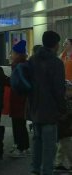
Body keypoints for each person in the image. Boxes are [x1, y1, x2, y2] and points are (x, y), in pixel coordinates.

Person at [28, 31, 66, 175]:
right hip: (50, 111)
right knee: (49, 146)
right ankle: (47, 172)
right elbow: (59, 89)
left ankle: (35, 170)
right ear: (55, 45)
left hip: (35, 109)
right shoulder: (56, 63)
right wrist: (62, 109)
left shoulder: (32, 60)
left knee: (37, 142)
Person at [8, 40, 30, 158]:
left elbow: (16, 83)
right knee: (21, 124)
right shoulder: (26, 64)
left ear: (17, 54)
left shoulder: (17, 66)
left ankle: (21, 147)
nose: (11, 55)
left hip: (17, 98)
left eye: (12, 53)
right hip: (23, 99)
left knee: (18, 124)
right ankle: (25, 147)